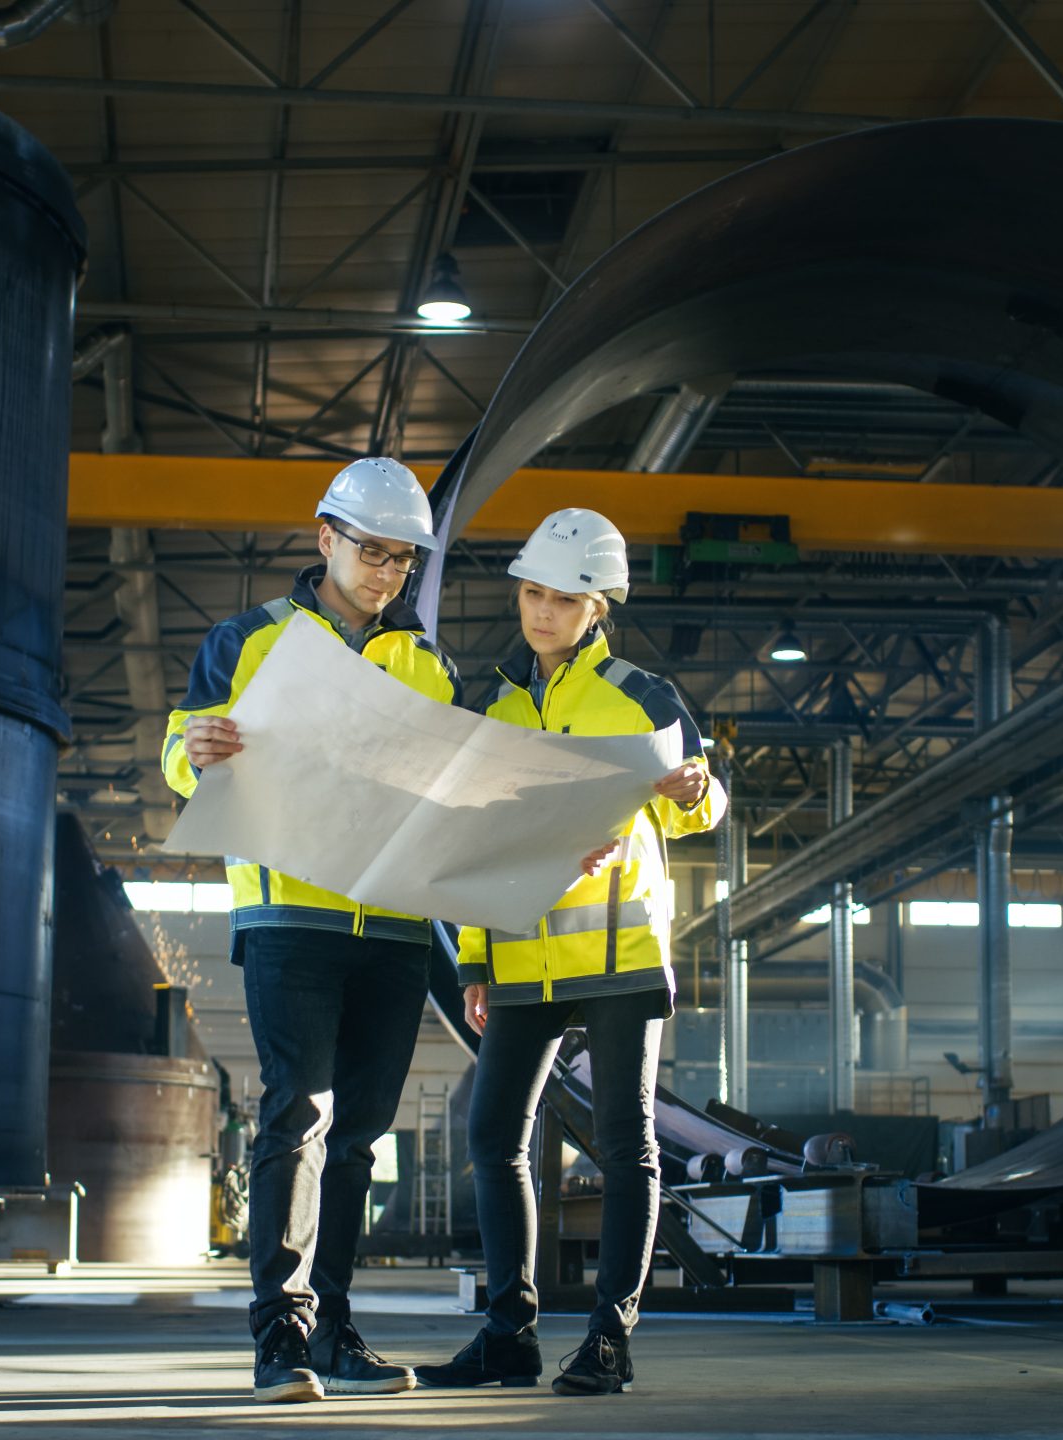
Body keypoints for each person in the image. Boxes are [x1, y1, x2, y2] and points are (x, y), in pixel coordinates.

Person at [163, 456, 459, 1404]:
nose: (387, 573)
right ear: (325, 537)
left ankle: (334, 1331)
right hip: (292, 914)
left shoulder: (429, 664)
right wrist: (193, 751)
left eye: (403, 560)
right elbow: (184, 751)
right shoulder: (247, 641)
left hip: (399, 926)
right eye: (372, 551)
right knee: (298, 1114)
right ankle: (279, 1339)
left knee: (360, 1139)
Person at [416, 507, 726, 1397]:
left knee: (625, 1144)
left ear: (600, 606)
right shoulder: (492, 708)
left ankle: (608, 1338)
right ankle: (509, 1332)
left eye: (563, 598)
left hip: (618, 952)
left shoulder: (641, 695)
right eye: (531, 592)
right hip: (517, 954)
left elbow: (697, 808)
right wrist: (473, 961)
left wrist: (698, 789)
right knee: (494, 1135)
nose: (542, 611)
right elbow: (471, 845)